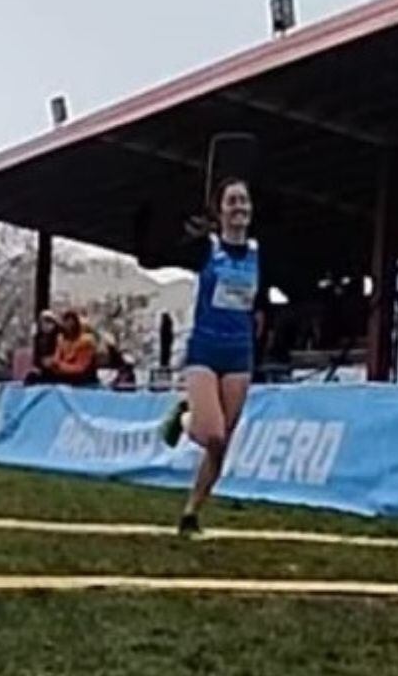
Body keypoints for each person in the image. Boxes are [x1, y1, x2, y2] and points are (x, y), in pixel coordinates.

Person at [158, 177, 268, 538]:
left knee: (222, 445)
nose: (239, 207)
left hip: (239, 353)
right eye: (232, 201)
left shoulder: (257, 251)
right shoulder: (206, 248)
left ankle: (191, 512)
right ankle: (186, 415)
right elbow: (163, 247)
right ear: (220, 210)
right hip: (205, 349)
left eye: (244, 201)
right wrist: (189, 230)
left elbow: (260, 302)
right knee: (213, 435)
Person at [50, 310, 99, 387]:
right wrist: (57, 365)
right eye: (66, 323)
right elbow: (55, 361)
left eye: (71, 323)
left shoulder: (86, 341)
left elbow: (80, 368)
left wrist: (60, 366)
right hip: (65, 378)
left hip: (83, 380)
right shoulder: (61, 340)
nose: (69, 326)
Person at [25, 312, 61, 384]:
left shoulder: (59, 338)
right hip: (42, 369)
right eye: (44, 323)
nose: (46, 326)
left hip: (57, 369)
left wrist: (52, 360)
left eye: (49, 323)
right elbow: (36, 357)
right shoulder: (38, 339)